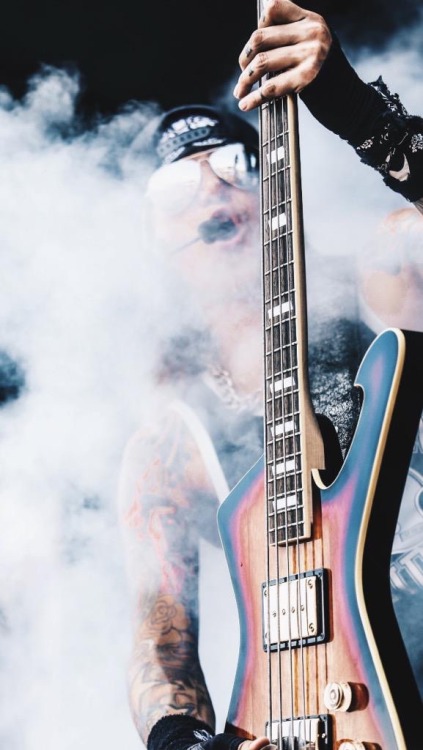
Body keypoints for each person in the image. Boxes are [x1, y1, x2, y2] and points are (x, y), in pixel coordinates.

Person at [117, 2, 423, 750]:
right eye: (176, 191)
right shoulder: (171, 441)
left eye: (235, 166)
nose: (214, 193)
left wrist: (361, 114)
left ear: (272, 192)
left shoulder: (379, 291)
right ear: (155, 243)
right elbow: (161, 642)